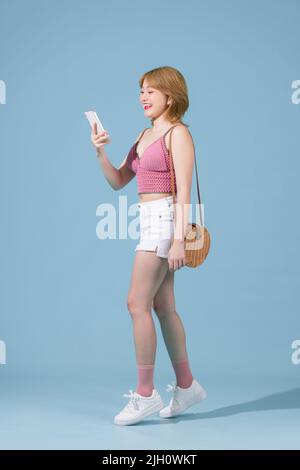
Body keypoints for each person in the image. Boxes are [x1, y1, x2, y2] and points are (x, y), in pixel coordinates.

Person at [91, 66, 207, 426]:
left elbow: (184, 190)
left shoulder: (179, 134)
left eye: (151, 91)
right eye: (141, 91)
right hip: (146, 218)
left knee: (135, 302)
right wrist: (100, 153)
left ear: (170, 96)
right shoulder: (144, 134)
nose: (143, 97)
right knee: (162, 305)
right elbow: (119, 181)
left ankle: (145, 394)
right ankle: (187, 385)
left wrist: (177, 240)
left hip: (165, 220)